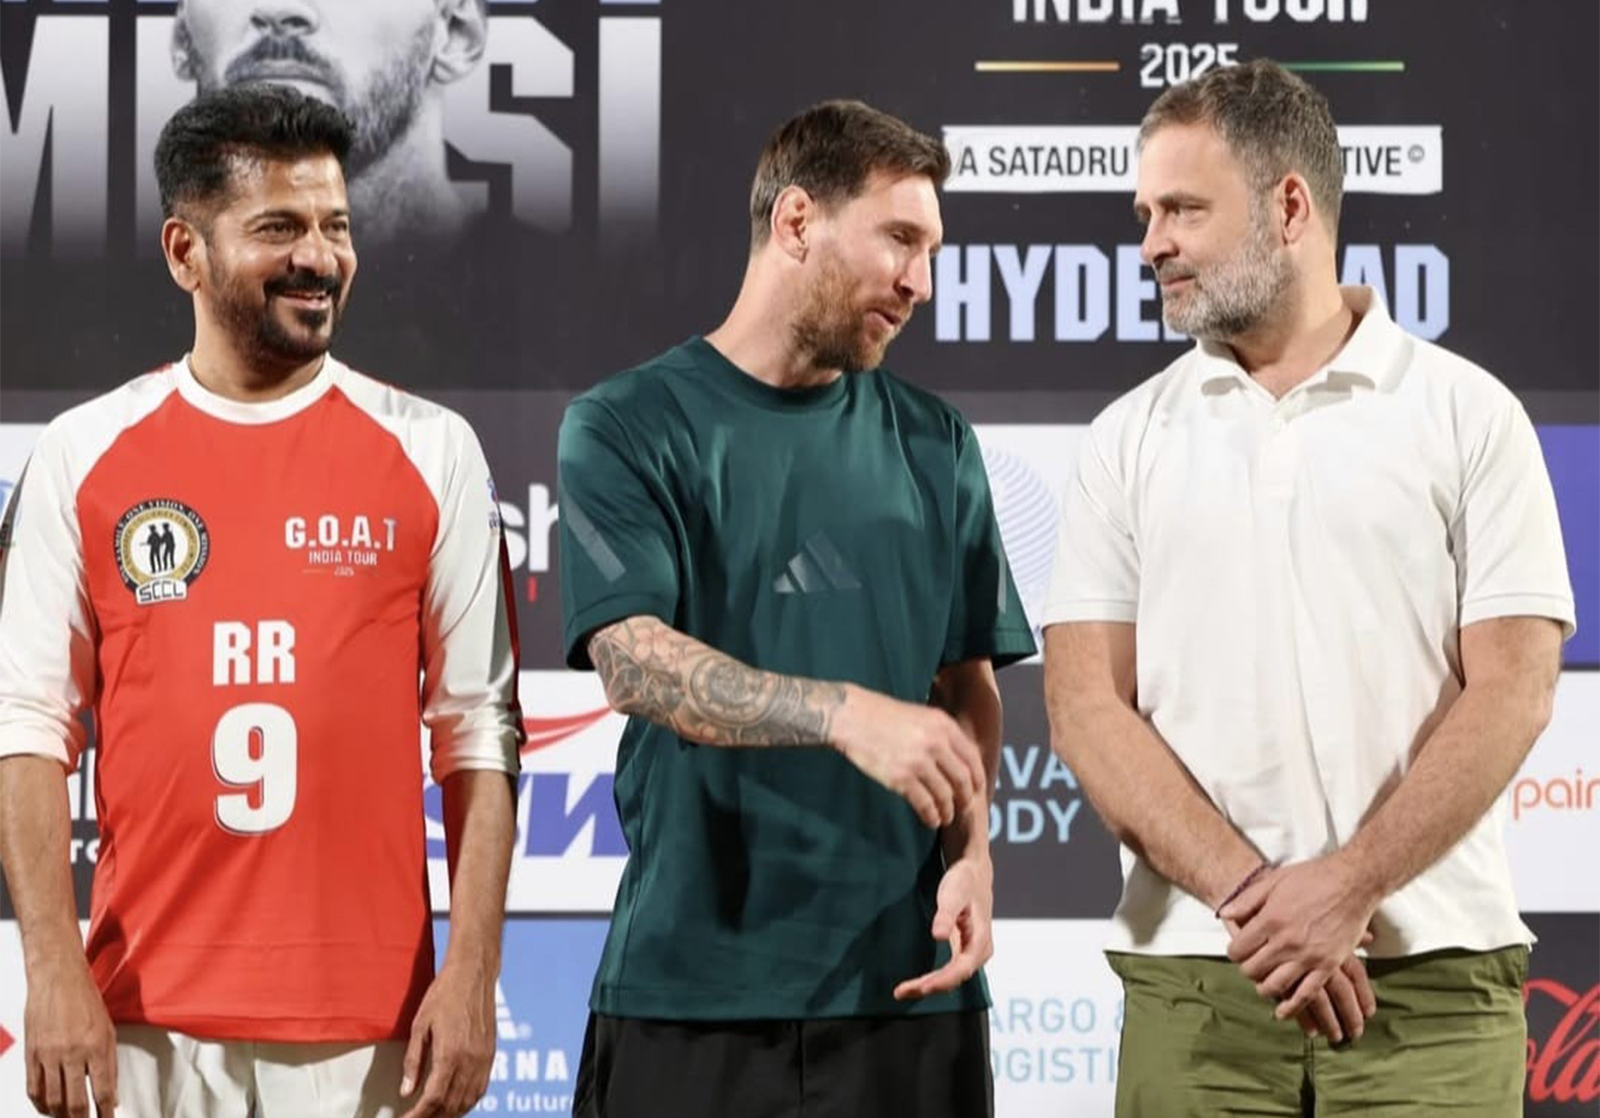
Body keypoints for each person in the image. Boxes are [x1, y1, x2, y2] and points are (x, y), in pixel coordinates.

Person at [1041, 59, 1574, 1117]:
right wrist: (1260, 901)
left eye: (1182, 209)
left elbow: (1514, 688)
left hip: (1429, 986)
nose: (1151, 243)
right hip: (1198, 985)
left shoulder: (1470, 416)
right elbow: (1084, 708)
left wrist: (1350, 888)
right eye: (1146, 212)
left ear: (1290, 205)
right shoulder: (1121, 441)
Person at [0, 84, 523, 1118]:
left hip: (371, 1027)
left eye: (335, 225)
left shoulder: (432, 451)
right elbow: (28, 731)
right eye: (277, 227)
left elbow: (477, 740)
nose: (319, 257)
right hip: (139, 1021)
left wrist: (471, 978)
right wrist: (51, 973)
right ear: (185, 253)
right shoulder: (81, 453)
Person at [557, 98, 1037, 1118]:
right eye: (900, 241)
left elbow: (967, 684)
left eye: (932, 250)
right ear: (795, 224)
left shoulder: (935, 441)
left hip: (908, 1001)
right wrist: (845, 713)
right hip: (691, 994)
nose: (920, 283)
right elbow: (632, 662)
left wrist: (974, 857)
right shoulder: (627, 424)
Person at [172, 0, 488, 243]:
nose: (275, 3)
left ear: (455, 31)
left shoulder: (533, 285)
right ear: (182, 30)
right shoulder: (124, 290)